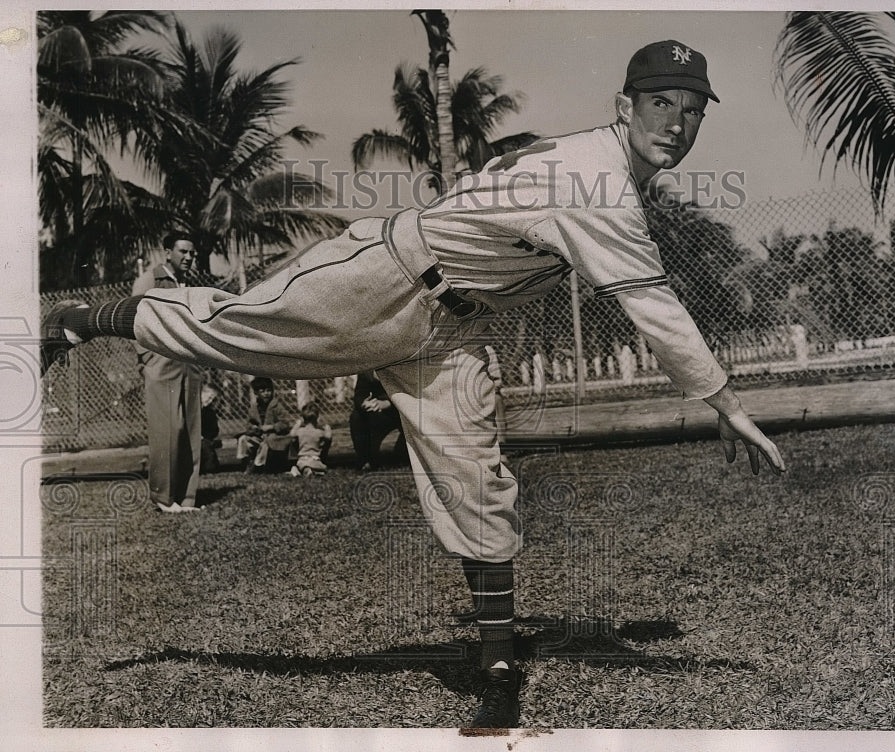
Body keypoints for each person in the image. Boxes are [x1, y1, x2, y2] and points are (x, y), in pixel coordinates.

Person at [42, 40, 786, 728]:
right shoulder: (598, 182)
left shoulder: (606, 172)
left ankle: (496, 666)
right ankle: (81, 318)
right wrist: (725, 402)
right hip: (387, 277)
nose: (678, 123)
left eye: (691, 111)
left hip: (452, 330)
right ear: (624, 107)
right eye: (662, 104)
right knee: (235, 329)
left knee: (476, 477)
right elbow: (654, 307)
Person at [131, 232, 203, 513]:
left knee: (191, 431)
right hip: (161, 362)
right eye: (183, 252)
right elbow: (133, 318)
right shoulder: (150, 280)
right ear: (167, 253)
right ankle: (163, 498)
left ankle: (186, 498)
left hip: (190, 362)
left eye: (192, 253)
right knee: (167, 429)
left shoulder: (189, 283)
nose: (188, 257)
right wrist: (147, 357)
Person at [235, 376, 296, 473]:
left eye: (269, 390)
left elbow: (286, 423)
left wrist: (272, 427)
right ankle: (247, 461)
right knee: (243, 439)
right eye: (262, 391)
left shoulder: (276, 406)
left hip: (274, 436)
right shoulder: (253, 408)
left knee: (266, 442)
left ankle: (258, 465)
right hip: (259, 435)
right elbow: (249, 424)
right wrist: (253, 428)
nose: (266, 394)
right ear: (256, 393)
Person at [349, 370, 407, 472]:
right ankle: (365, 460)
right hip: (380, 413)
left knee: (401, 455)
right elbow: (359, 394)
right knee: (356, 417)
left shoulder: (400, 364)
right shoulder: (367, 370)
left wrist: (387, 402)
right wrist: (365, 403)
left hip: (401, 412)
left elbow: (408, 393)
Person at [289, 400, 333, 476]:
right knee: (322, 468)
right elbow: (328, 437)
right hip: (315, 459)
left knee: (299, 466)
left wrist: (298, 423)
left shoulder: (300, 431)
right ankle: (313, 471)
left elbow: (292, 434)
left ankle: (301, 470)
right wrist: (326, 426)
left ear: (303, 418)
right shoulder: (319, 432)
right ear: (317, 418)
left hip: (302, 459)